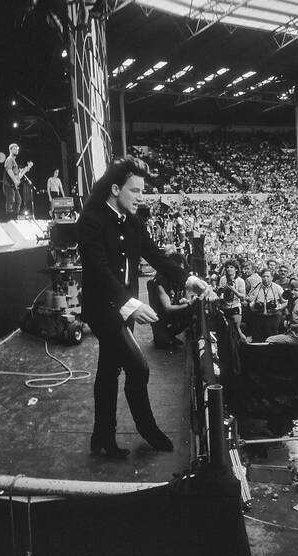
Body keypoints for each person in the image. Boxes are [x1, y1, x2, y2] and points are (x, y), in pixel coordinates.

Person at [77, 155, 211, 458]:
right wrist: (129, 304)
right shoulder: (91, 221)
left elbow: (155, 256)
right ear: (115, 189)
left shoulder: (135, 222)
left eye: (142, 191)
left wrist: (187, 278)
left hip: (124, 307)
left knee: (109, 371)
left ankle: (102, 438)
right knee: (137, 366)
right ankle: (147, 429)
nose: (141, 197)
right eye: (135, 190)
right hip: (103, 309)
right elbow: (99, 270)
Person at [147, 252, 194, 349]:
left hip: (172, 314)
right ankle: (167, 334)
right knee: (162, 343)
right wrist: (189, 304)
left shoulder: (178, 279)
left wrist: (187, 300)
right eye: (180, 268)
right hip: (161, 319)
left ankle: (170, 334)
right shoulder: (161, 282)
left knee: (191, 313)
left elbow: (187, 296)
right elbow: (167, 308)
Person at [264, 278, 298, 345]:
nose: (292, 292)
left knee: (270, 339)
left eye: (296, 290)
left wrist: (289, 325)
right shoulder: (295, 300)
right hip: (294, 333)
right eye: (291, 290)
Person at [3, 143, 25, 217]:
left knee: (18, 200)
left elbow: (16, 175)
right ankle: (9, 217)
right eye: (15, 149)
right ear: (10, 150)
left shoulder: (14, 161)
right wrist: (15, 181)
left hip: (13, 185)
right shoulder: (9, 159)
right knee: (11, 200)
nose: (17, 150)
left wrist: (22, 171)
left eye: (17, 149)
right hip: (8, 184)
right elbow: (9, 171)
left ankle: (15, 216)